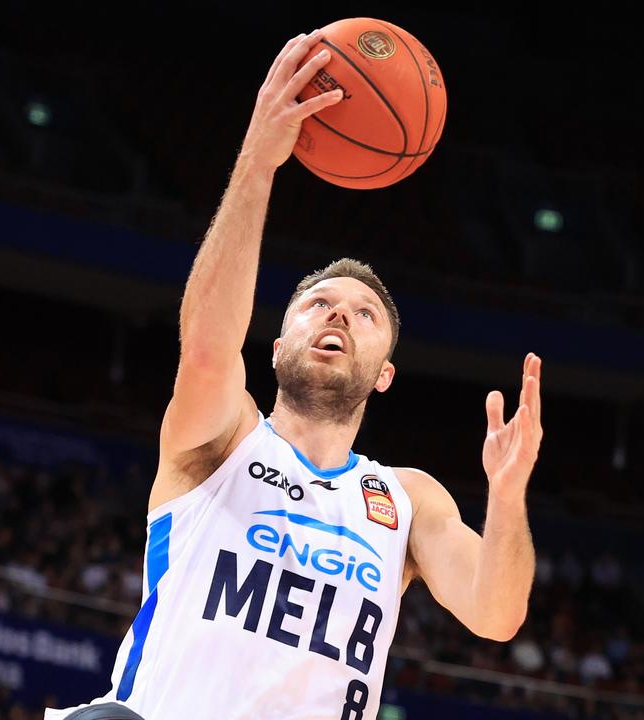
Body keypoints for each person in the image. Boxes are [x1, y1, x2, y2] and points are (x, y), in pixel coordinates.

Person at [46, 28, 542, 720]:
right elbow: (208, 351)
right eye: (317, 305)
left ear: (385, 375)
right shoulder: (222, 440)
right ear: (277, 346)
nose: (338, 317)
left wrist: (510, 493)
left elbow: (498, 614)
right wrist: (258, 162)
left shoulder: (407, 502)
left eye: (364, 315)